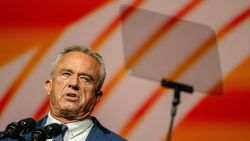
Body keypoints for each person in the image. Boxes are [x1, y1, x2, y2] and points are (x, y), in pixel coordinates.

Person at [2, 45, 127, 141]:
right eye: (66, 74)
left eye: (85, 78)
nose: (74, 83)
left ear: (97, 97)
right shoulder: (13, 137)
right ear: (49, 87)